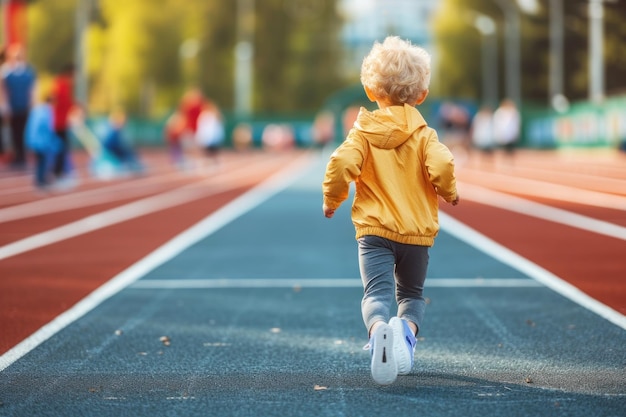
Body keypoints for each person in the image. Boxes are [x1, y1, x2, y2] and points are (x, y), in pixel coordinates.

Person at [322, 36, 459, 385]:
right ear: (422, 95)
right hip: (416, 233)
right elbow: (442, 165)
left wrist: (332, 200)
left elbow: (340, 166)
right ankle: (405, 333)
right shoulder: (425, 134)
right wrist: (450, 192)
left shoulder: (362, 133)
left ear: (370, 90)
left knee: (376, 295)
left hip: (374, 234)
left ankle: (378, 329)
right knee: (411, 296)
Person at [2, 43, 36, 168]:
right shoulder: (6, 72)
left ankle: (22, 156)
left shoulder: (28, 71)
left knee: (23, 132)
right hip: (13, 107)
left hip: (24, 106)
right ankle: (17, 156)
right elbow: (3, 90)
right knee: (14, 132)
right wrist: (5, 106)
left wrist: (32, 105)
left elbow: (32, 90)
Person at [25, 85, 61, 190]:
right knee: (43, 161)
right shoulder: (47, 111)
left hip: (32, 140)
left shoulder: (37, 109)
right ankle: (41, 181)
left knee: (40, 161)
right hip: (41, 142)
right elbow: (47, 128)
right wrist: (52, 142)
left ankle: (41, 180)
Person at [51, 63, 75, 180]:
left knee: (63, 148)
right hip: (57, 123)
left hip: (62, 122)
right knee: (59, 148)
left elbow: (67, 102)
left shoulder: (64, 85)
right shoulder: (60, 84)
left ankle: (59, 172)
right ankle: (57, 172)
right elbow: (59, 102)